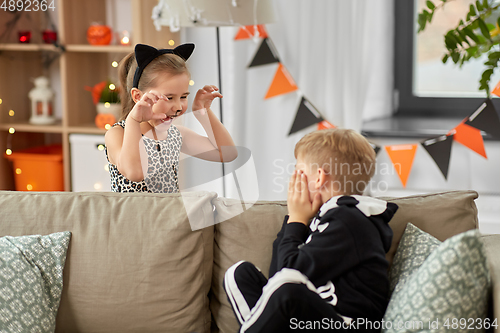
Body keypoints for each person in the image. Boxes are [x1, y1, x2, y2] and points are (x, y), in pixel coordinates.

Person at [224, 128, 398, 332]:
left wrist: (298, 219)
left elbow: (288, 274)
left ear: (318, 178)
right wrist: (295, 219)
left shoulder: (350, 219)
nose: (294, 178)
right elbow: (276, 277)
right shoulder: (324, 218)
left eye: (299, 171)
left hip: (346, 324)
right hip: (310, 319)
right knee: (240, 274)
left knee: (288, 285)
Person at [105, 43, 237, 193]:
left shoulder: (175, 135)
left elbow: (228, 153)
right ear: (138, 96)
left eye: (183, 97)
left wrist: (203, 112)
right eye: (169, 98)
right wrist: (133, 120)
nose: (178, 107)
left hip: (169, 216)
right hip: (132, 216)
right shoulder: (117, 134)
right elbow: (135, 173)